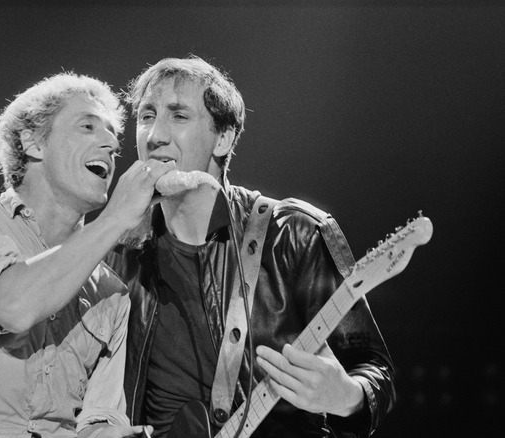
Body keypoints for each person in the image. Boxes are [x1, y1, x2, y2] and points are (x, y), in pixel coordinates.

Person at [105, 56, 396, 438]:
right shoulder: (119, 250)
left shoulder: (294, 235)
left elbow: (374, 369)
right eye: (146, 116)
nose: (155, 134)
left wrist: (347, 396)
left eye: (178, 116)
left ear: (223, 138)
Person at [0, 72, 175, 438]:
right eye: (88, 126)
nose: (111, 144)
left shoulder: (111, 292)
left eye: (113, 136)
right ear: (33, 142)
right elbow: (12, 306)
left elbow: (98, 418)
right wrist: (115, 218)